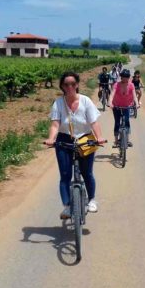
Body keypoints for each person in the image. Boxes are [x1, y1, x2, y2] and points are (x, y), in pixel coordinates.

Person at [44, 72, 107, 219]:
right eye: (66, 84)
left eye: (73, 83)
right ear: (62, 86)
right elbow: (55, 124)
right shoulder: (58, 103)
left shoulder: (85, 101)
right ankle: (67, 206)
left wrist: (99, 137)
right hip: (64, 140)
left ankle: (92, 199)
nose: (70, 86)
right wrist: (51, 139)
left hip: (84, 139)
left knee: (87, 173)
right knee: (65, 176)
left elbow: (94, 122)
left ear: (77, 85)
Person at [108, 69, 136, 147]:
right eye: (123, 77)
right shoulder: (116, 85)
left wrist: (136, 104)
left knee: (127, 122)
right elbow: (112, 94)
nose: (125, 79)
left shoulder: (131, 85)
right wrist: (110, 102)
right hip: (116, 106)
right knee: (117, 122)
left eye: (127, 77)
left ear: (128, 77)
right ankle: (116, 141)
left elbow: (134, 96)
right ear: (121, 77)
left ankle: (127, 140)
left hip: (126, 106)